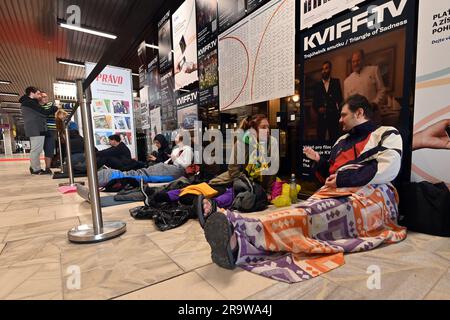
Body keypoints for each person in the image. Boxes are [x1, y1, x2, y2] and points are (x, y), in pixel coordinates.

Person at [200, 94, 406, 284]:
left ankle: (239, 227)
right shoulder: (341, 142)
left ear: (359, 113)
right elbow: (329, 176)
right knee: (302, 213)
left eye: (343, 115)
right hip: (335, 192)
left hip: (371, 195)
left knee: (308, 215)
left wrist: (341, 177)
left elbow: (388, 168)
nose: (340, 120)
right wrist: (319, 162)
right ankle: (237, 242)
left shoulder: (386, 133)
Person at [97, 132, 193, 187]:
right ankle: (106, 175)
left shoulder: (187, 150)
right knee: (139, 172)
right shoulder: (177, 149)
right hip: (166, 166)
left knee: (139, 174)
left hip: (174, 170)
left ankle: (108, 176)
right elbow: (168, 161)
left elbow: (185, 165)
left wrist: (174, 158)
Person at [19, 87, 58, 175]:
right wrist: (55, 108)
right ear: (32, 93)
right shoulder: (29, 103)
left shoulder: (29, 102)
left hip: (37, 128)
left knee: (37, 149)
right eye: (38, 93)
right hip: (35, 129)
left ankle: (35, 167)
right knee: (36, 150)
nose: (39, 95)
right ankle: (36, 169)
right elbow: (44, 112)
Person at [344, 50, 387, 115]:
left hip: (373, 113)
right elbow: (347, 101)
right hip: (356, 116)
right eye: (353, 61)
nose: (356, 63)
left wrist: (374, 104)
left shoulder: (374, 70)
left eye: (358, 60)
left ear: (363, 60)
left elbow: (382, 90)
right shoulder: (347, 81)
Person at [313, 61, 343, 142]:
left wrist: (340, 115)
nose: (324, 71)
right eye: (322, 69)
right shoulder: (317, 85)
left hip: (333, 116)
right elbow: (314, 102)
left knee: (335, 138)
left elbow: (340, 100)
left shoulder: (336, 82)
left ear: (330, 69)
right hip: (321, 118)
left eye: (326, 68)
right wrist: (318, 109)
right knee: (320, 138)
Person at [39, 92, 58, 174]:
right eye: (43, 97)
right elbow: (44, 113)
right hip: (40, 130)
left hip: (51, 130)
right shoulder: (36, 106)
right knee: (37, 149)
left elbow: (57, 108)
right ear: (39, 98)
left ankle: (47, 168)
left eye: (46, 96)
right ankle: (35, 167)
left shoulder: (51, 104)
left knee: (49, 149)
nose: (45, 98)